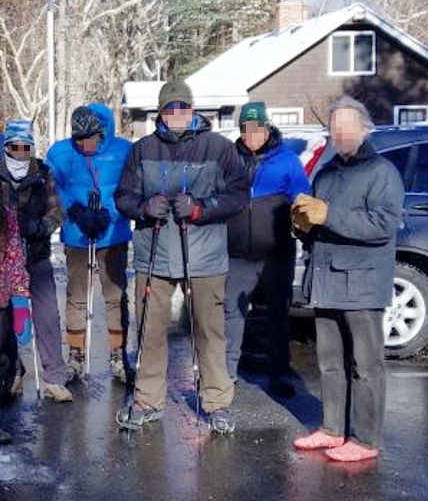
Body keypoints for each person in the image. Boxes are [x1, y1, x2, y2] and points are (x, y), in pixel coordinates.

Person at [114, 79, 247, 431]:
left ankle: (217, 403)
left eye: (183, 108)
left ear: (193, 110)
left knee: (209, 331)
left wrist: (202, 209)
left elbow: (238, 196)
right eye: (170, 108)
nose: (177, 114)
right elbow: (122, 197)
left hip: (204, 256)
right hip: (154, 254)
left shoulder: (219, 148)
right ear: (160, 111)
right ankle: (146, 399)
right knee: (150, 331)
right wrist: (144, 207)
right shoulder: (142, 149)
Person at [291, 95, 404, 462]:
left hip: (362, 284)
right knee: (328, 362)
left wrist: (328, 215)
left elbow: (383, 226)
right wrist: (302, 226)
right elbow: (319, 225)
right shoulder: (325, 172)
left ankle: (366, 439)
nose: (339, 133)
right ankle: (332, 429)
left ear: (364, 129)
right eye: (334, 128)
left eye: (346, 126)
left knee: (366, 366)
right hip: (326, 281)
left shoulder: (382, 172)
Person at [224, 102, 310, 396]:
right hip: (236, 253)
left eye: (257, 128)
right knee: (232, 313)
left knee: (277, 314)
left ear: (267, 128)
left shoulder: (287, 160)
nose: (251, 135)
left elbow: (304, 202)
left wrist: (301, 227)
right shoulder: (230, 159)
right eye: (246, 129)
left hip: (276, 252)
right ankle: (226, 373)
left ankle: (279, 374)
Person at [46, 105, 132, 383]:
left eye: (90, 138)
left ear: (102, 132)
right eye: (79, 139)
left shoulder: (122, 151)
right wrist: (75, 210)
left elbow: (130, 188)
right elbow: (54, 187)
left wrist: (109, 212)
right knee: (77, 296)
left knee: (114, 296)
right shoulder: (60, 153)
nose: (85, 145)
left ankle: (118, 354)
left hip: (113, 235)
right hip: (77, 234)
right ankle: (75, 353)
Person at [0, 120, 72, 402]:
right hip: (5, 260)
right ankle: (13, 372)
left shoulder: (43, 174)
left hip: (37, 254)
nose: (20, 152)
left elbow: (57, 212)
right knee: (7, 321)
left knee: (47, 316)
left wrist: (40, 227)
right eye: (14, 147)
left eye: (25, 147)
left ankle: (54, 377)